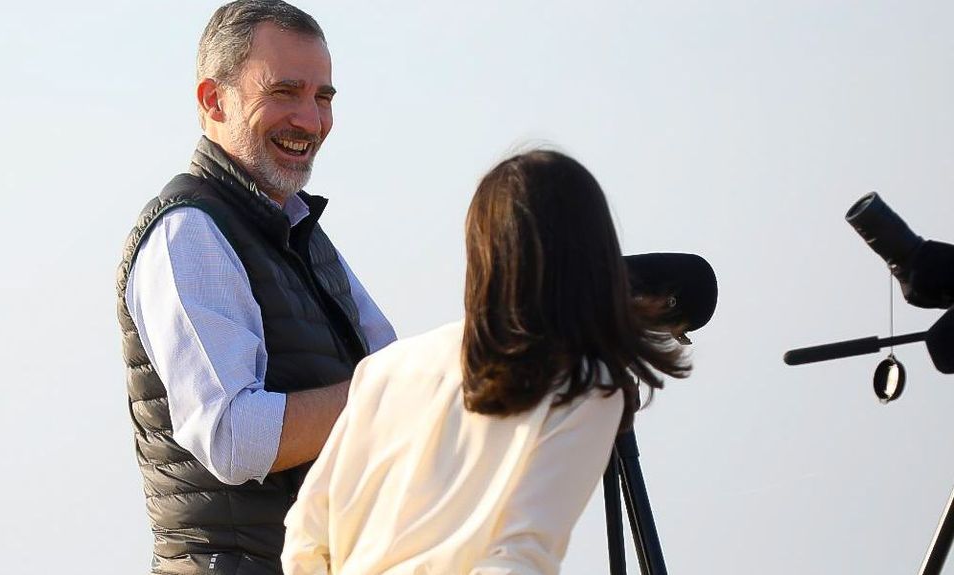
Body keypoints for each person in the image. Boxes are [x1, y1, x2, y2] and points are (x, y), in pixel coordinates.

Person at [281, 150, 692, 574]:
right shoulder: (585, 383)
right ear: (595, 250)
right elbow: (518, 558)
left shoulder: (388, 369)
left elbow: (306, 535)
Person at [114, 2, 396, 573]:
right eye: (285, 92)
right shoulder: (187, 231)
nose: (310, 120)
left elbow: (395, 368)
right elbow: (234, 437)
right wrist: (405, 390)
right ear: (213, 101)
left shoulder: (301, 233)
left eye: (323, 97)